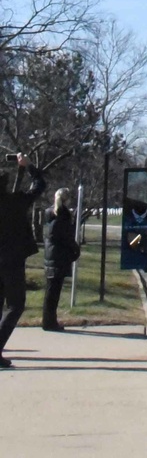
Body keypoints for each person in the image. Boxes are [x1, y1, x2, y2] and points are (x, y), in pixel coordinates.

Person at [0, 154, 46, 367]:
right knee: (15, 305)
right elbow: (39, 185)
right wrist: (27, 166)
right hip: (12, 261)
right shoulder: (15, 202)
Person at [42, 187, 79, 332]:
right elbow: (66, 237)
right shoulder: (62, 216)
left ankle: (49, 320)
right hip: (59, 257)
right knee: (53, 293)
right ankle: (49, 322)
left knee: (50, 291)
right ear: (66, 200)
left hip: (51, 256)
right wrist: (75, 249)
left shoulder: (50, 213)